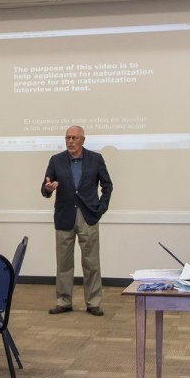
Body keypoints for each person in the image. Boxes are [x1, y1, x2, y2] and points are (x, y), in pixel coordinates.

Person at [41, 125, 113, 316]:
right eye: (67, 138)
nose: (70, 141)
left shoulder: (95, 159)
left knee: (91, 263)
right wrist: (48, 189)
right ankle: (64, 301)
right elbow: (45, 187)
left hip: (88, 216)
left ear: (83, 140)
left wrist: (101, 208)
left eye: (74, 138)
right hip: (64, 216)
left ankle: (93, 302)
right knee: (63, 263)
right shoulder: (56, 161)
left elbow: (107, 185)